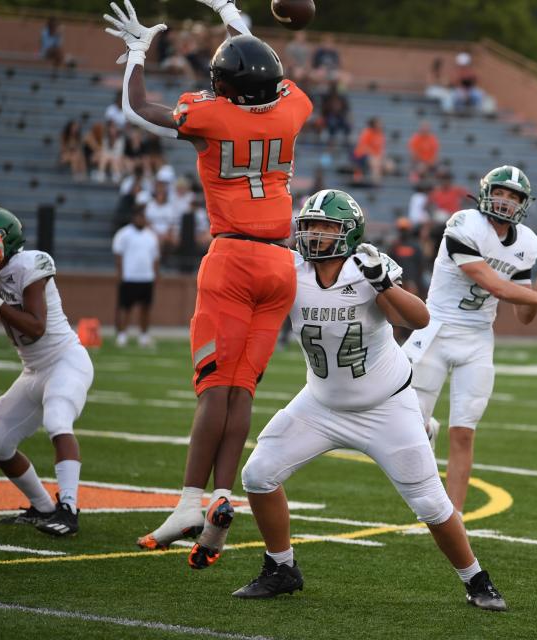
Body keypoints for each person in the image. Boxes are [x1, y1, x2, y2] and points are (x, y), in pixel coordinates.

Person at [104, 0, 313, 568]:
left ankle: (190, 500)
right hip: (279, 265)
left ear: (225, 86)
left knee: (212, 390)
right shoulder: (294, 108)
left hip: (232, 259)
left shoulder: (211, 117)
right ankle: (223, 495)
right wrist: (230, 12)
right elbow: (259, 62)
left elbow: (137, 106)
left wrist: (137, 51)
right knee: (242, 390)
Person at [234, 190, 507, 611]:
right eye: (309, 225)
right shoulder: (290, 270)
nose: (313, 234)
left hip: (386, 405)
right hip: (321, 404)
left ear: (349, 233)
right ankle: (281, 567)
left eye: (326, 227)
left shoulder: (366, 269)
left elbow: (419, 319)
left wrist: (382, 283)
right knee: (258, 474)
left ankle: (477, 579)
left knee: (431, 504)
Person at [403, 166, 537, 513]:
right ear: (485, 193)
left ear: (523, 203)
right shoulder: (463, 223)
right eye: (500, 192)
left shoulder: (527, 242)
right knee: (403, 427)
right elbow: (495, 285)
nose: (505, 201)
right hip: (436, 328)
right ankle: (425, 427)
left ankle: (452, 516)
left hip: (477, 339)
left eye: (513, 196)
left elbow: (523, 315)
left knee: (464, 432)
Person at [0, 206, 94, 536]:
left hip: (65, 360)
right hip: (32, 370)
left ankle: (69, 510)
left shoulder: (29, 263)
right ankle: (43, 507)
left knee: (58, 421)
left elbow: (35, 327)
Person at [112, 206, 160, 348]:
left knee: (145, 308)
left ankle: (144, 336)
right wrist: (120, 273)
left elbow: (155, 258)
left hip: (146, 277)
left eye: (143, 217)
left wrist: (156, 274)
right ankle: (122, 335)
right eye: (139, 217)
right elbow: (118, 254)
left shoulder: (151, 235)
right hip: (129, 277)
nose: (141, 219)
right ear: (134, 218)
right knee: (126, 308)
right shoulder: (124, 234)